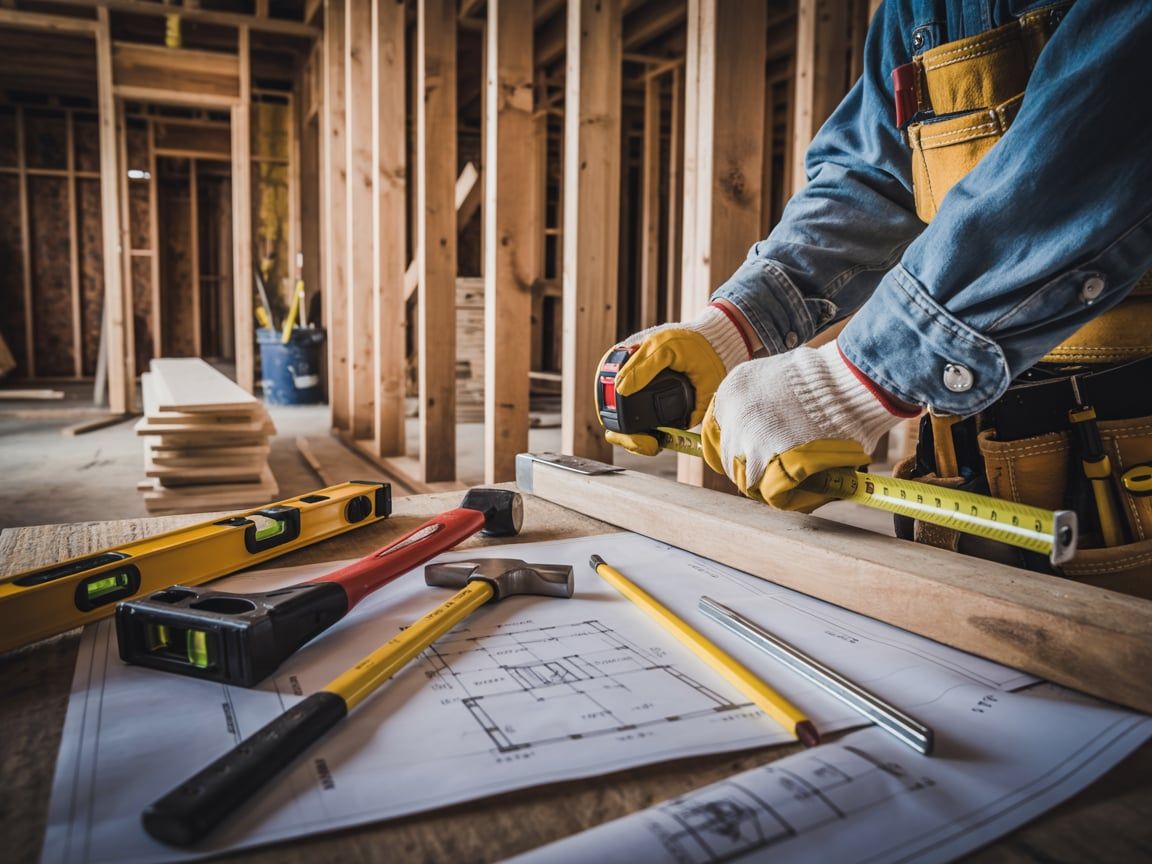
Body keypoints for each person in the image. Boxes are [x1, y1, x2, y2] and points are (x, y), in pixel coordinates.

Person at [600, 0, 1152, 589]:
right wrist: (735, 326)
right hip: (966, 438)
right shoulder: (915, 9)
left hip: (1125, 443)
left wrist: (851, 382)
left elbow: (1091, 149)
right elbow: (873, 176)